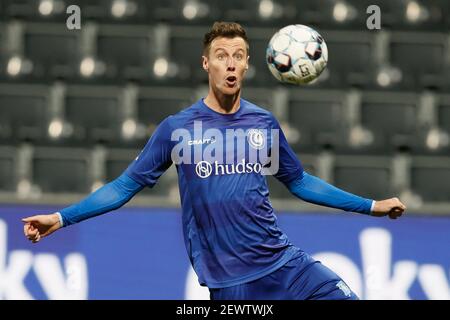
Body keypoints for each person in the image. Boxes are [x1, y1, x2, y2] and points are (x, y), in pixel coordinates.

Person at [22, 21, 406, 300]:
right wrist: (60, 218)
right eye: (222, 56)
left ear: (249, 64)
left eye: (239, 56)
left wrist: (370, 206)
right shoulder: (177, 129)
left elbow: (300, 181)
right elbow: (124, 187)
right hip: (232, 283)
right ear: (207, 64)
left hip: (284, 262)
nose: (231, 64)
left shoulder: (263, 123)